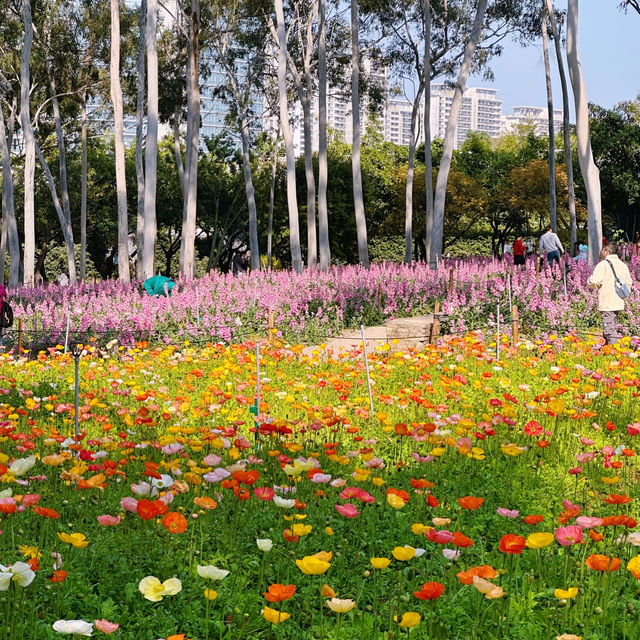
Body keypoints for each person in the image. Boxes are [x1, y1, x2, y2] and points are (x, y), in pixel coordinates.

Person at [587, 243, 632, 345]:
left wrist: (589, 281)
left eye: (602, 250)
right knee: (610, 326)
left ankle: (615, 352)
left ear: (607, 252)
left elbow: (594, 281)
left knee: (609, 330)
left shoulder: (603, 264)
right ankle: (606, 351)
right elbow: (629, 282)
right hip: (619, 301)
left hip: (607, 302)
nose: (601, 252)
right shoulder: (622, 265)